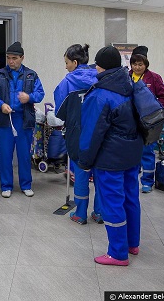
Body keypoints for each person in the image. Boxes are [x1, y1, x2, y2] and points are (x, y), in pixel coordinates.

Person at [78, 46, 143, 266]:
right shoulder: (130, 85)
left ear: (100, 66)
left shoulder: (100, 94)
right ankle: (132, 244)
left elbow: (90, 133)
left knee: (113, 203)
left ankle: (117, 253)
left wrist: (85, 163)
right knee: (131, 199)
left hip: (110, 160)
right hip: (132, 156)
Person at [0, 42, 45, 198]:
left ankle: (26, 185)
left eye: (14, 58)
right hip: (5, 120)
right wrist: (1, 105)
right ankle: (6, 186)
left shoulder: (31, 75)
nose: (11, 61)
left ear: (22, 58)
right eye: (8, 58)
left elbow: (40, 93)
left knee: (24, 155)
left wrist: (30, 97)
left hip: (24, 120)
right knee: (5, 155)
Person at [53, 44, 101, 225]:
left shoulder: (67, 82)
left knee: (81, 174)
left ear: (74, 62)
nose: (65, 66)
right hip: (99, 134)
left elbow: (59, 111)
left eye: (66, 63)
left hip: (78, 134)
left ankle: (80, 214)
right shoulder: (99, 77)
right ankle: (99, 213)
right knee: (100, 176)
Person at [128, 46, 164, 193]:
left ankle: (147, 181)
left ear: (146, 65)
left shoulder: (155, 78)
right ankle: (132, 180)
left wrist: (153, 109)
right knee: (132, 151)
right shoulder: (127, 77)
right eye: (134, 64)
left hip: (149, 123)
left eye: (140, 64)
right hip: (131, 121)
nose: (137, 67)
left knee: (147, 151)